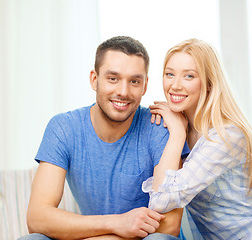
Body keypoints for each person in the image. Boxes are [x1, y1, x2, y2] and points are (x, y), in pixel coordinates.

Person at [19, 36, 188, 240]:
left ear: (144, 86)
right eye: (113, 79)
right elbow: (37, 218)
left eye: (134, 81)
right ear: (94, 79)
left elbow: (169, 226)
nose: (123, 92)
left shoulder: (159, 127)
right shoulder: (64, 127)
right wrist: (118, 223)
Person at [143, 38, 252, 240]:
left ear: (208, 83)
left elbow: (161, 200)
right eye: (169, 74)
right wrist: (177, 132)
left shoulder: (226, 136)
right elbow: (160, 204)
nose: (175, 85)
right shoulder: (174, 130)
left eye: (189, 76)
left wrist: (177, 133)